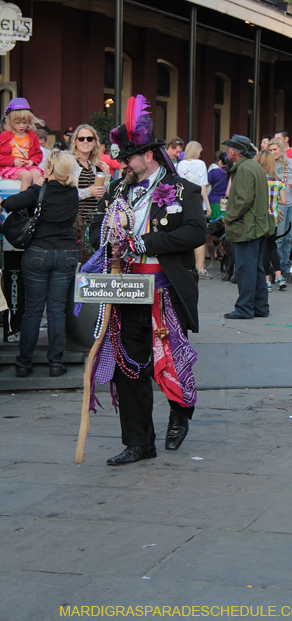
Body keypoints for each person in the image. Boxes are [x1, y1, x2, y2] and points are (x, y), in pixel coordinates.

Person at [89, 96, 206, 465]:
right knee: (129, 367)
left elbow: (196, 232)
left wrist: (145, 242)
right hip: (125, 290)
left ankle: (180, 412)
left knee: (170, 361)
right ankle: (139, 442)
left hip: (164, 291)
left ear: (149, 155)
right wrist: (107, 235)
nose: (124, 164)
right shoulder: (118, 190)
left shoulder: (183, 190)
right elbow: (94, 231)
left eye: (130, 158)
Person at [0, 150, 79, 378]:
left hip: (38, 252)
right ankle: (56, 363)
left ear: (50, 169)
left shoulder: (39, 190)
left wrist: (33, 187)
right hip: (66, 253)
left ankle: (24, 364)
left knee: (33, 311)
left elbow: (9, 203)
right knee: (57, 310)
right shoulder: (72, 192)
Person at [221, 134, 269, 320]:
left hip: (247, 226)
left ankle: (245, 308)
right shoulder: (253, 166)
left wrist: (228, 217)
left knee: (245, 269)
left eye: (229, 149)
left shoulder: (243, 168)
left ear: (235, 151)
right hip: (257, 225)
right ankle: (260, 306)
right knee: (256, 267)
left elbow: (243, 199)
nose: (227, 152)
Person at [70, 123, 110, 262]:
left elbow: (101, 196)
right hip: (75, 221)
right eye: (81, 138)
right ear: (75, 142)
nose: (85, 141)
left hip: (91, 221)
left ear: (94, 142)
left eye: (89, 138)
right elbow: (66, 194)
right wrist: (89, 191)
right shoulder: (71, 163)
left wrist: (106, 175)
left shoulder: (93, 166)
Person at [178, 141, 212, 278]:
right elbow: (203, 186)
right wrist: (207, 204)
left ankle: (187, 267)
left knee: (185, 233)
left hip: (184, 202)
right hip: (198, 202)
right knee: (200, 236)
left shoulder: (180, 164)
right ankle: (201, 268)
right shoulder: (201, 164)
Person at [268, 138, 292, 277]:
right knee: (279, 237)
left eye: (275, 149)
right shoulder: (269, 165)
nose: (273, 152)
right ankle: (278, 267)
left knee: (290, 237)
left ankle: (286, 265)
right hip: (278, 204)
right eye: (270, 150)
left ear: (281, 149)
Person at [257, 149, 287, 291]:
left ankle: (267, 280)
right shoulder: (277, 180)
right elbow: (284, 201)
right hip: (274, 217)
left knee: (264, 249)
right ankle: (279, 276)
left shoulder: (259, 179)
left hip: (262, 216)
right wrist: (274, 203)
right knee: (272, 246)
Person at [0, 97, 43, 191]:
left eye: (25, 122)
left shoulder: (32, 136)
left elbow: (38, 154)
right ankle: (23, 199)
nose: (22, 126)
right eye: (18, 123)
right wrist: (12, 161)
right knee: (27, 176)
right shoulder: (3, 136)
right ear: (10, 122)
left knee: (37, 174)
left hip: (28, 166)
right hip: (11, 167)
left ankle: (36, 198)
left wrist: (32, 161)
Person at [207, 152, 228, 220]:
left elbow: (205, 184)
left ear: (220, 161)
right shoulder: (232, 173)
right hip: (226, 202)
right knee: (224, 222)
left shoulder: (213, 172)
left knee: (212, 222)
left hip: (213, 201)